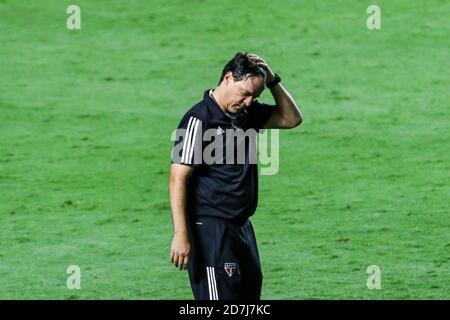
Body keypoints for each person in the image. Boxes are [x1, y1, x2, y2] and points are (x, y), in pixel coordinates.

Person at [169, 52, 302, 300]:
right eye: (246, 93)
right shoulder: (196, 120)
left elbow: (291, 118)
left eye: (255, 96)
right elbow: (178, 178)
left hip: (241, 228)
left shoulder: (245, 115)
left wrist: (272, 81)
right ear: (228, 78)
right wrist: (181, 233)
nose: (250, 101)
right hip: (210, 231)